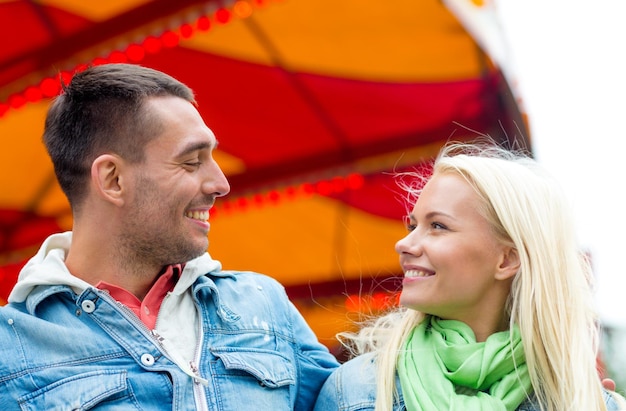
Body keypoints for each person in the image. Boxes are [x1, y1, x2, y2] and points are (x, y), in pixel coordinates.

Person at [0, 63, 339, 410]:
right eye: (191, 162)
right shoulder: (8, 350)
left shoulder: (264, 304)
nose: (220, 184)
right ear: (113, 179)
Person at [313, 141, 626, 411]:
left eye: (437, 226)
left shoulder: (584, 401)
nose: (404, 244)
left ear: (507, 259)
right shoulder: (354, 392)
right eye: (413, 226)